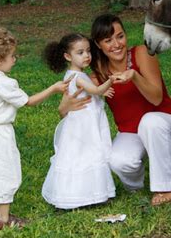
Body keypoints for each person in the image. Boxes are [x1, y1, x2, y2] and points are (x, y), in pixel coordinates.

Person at [60, 14, 171, 206]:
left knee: (150, 121)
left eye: (120, 36)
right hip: (132, 132)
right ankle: (136, 186)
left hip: (170, 126)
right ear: (98, 45)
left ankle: (166, 185)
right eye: (108, 40)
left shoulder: (142, 54)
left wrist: (135, 77)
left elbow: (156, 98)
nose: (116, 44)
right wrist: (65, 106)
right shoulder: (97, 76)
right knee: (118, 161)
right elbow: (66, 110)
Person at [0, 26, 70, 229]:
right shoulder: (3, 83)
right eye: (11, 56)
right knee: (6, 171)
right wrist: (53, 88)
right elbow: (29, 101)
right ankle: (4, 220)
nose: (14, 59)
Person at [41, 33, 119, 209]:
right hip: (84, 124)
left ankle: (83, 193)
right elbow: (96, 90)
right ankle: (85, 193)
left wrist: (100, 90)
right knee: (88, 154)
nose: (87, 56)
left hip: (80, 121)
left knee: (78, 155)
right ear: (68, 56)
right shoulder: (78, 77)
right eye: (80, 52)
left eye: (88, 51)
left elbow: (93, 91)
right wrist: (110, 81)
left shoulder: (72, 75)